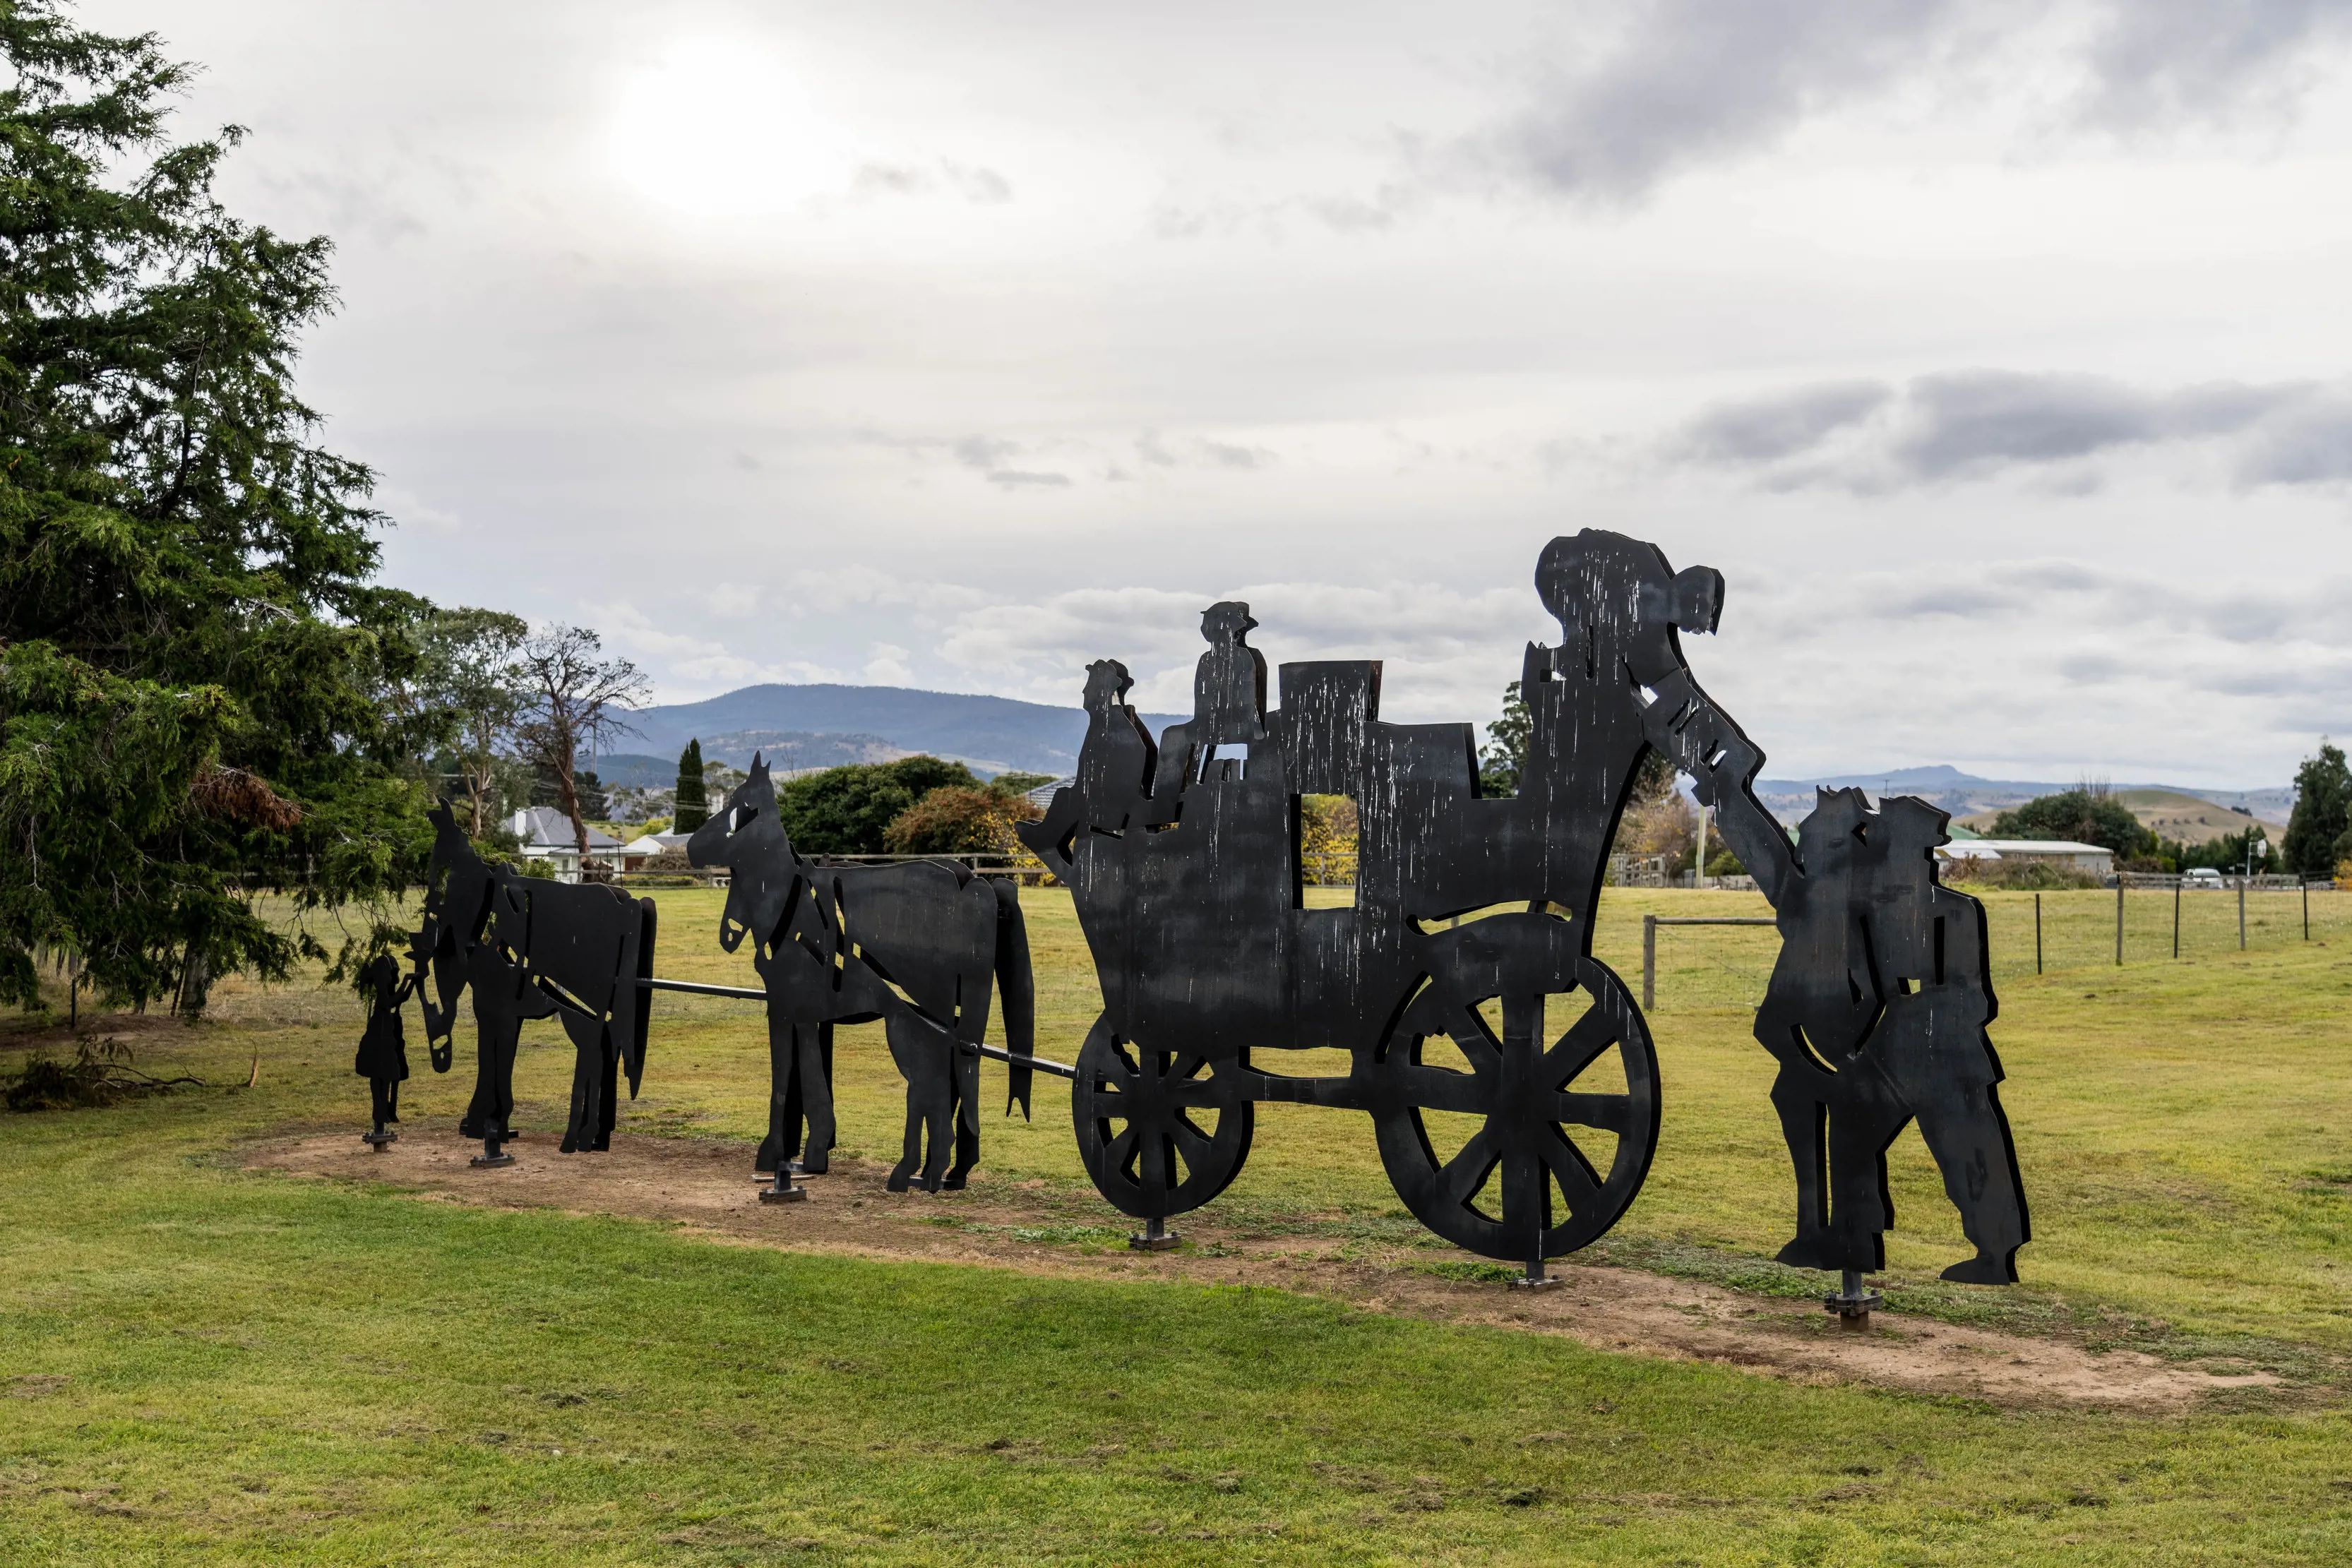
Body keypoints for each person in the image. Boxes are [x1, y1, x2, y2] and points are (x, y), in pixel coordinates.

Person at [354, 953, 417, 1147]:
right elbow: (393, 1000)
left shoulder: (387, 996)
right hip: (380, 1040)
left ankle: (386, 1109)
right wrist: (408, 980)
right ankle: (380, 1110)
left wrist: (413, 982)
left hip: (388, 1038)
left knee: (388, 1075)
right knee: (380, 1075)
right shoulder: (382, 996)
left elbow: (400, 998)